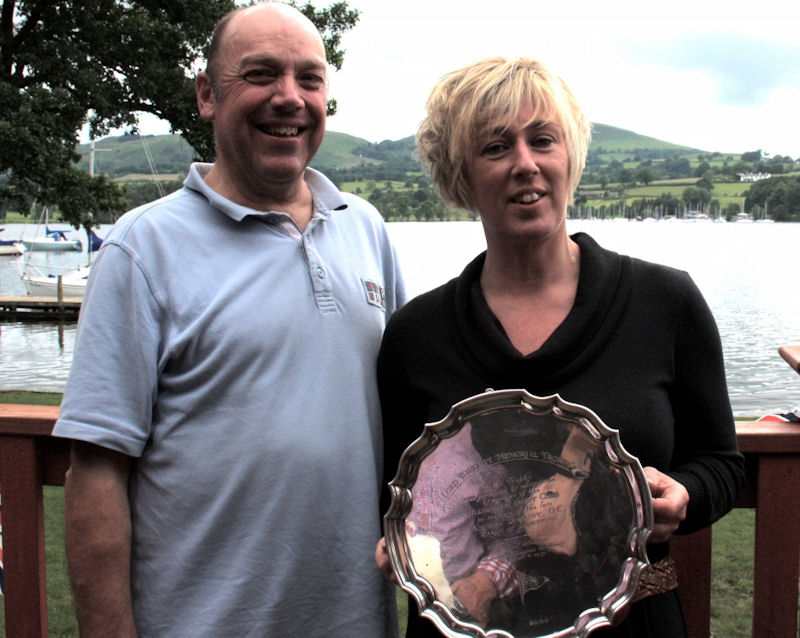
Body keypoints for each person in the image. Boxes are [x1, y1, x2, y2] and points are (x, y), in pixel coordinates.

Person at [54, 3, 405, 637]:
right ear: (208, 95)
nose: (289, 98)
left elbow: (417, 414)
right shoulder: (143, 248)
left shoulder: (367, 229)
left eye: (310, 78)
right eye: (261, 74)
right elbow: (98, 469)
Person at [375, 56, 744, 637]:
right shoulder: (418, 333)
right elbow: (399, 491)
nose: (526, 164)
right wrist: (404, 541)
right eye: (496, 147)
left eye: (543, 140)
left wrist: (687, 496)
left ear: (568, 156)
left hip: (634, 624)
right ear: (461, 174)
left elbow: (723, 465)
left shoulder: (664, 301)